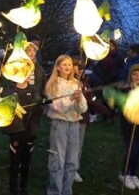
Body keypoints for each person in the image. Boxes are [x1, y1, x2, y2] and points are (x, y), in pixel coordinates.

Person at [45, 55, 87, 195]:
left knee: (72, 162)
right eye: (64, 64)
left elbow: (83, 109)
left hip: (74, 125)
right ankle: (55, 191)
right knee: (58, 161)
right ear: (57, 67)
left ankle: (67, 190)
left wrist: (80, 98)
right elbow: (56, 107)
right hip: (60, 125)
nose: (67, 67)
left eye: (69, 64)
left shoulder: (76, 84)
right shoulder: (53, 84)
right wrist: (70, 98)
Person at [1, 74, 42, 195]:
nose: (25, 76)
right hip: (15, 131)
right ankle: (13, 189)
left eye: (27, 73)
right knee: (14, 161)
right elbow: (3, 107)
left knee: (26, 161)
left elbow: (39, 109)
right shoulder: (9, 90)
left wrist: (39, 104)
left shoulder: (34, 90)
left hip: (30, 131)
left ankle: (23, 187)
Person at [72, 59, 112, 183]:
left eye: (81, 68)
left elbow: (91, 99)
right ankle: (64, 168)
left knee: (78, 145)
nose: (79, 70)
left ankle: (74, 170)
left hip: (82, 119)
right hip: (69, 119)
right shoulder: (67, 82)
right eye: (76, 67)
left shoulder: (85, 82)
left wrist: (105, 111)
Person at [117, 64, 139, 190]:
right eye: (135, 74)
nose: (137, 76)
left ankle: (133, 173)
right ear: (130, 75)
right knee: (132, 150)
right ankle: (124, 173)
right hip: (129, 126)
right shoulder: (125, 89)